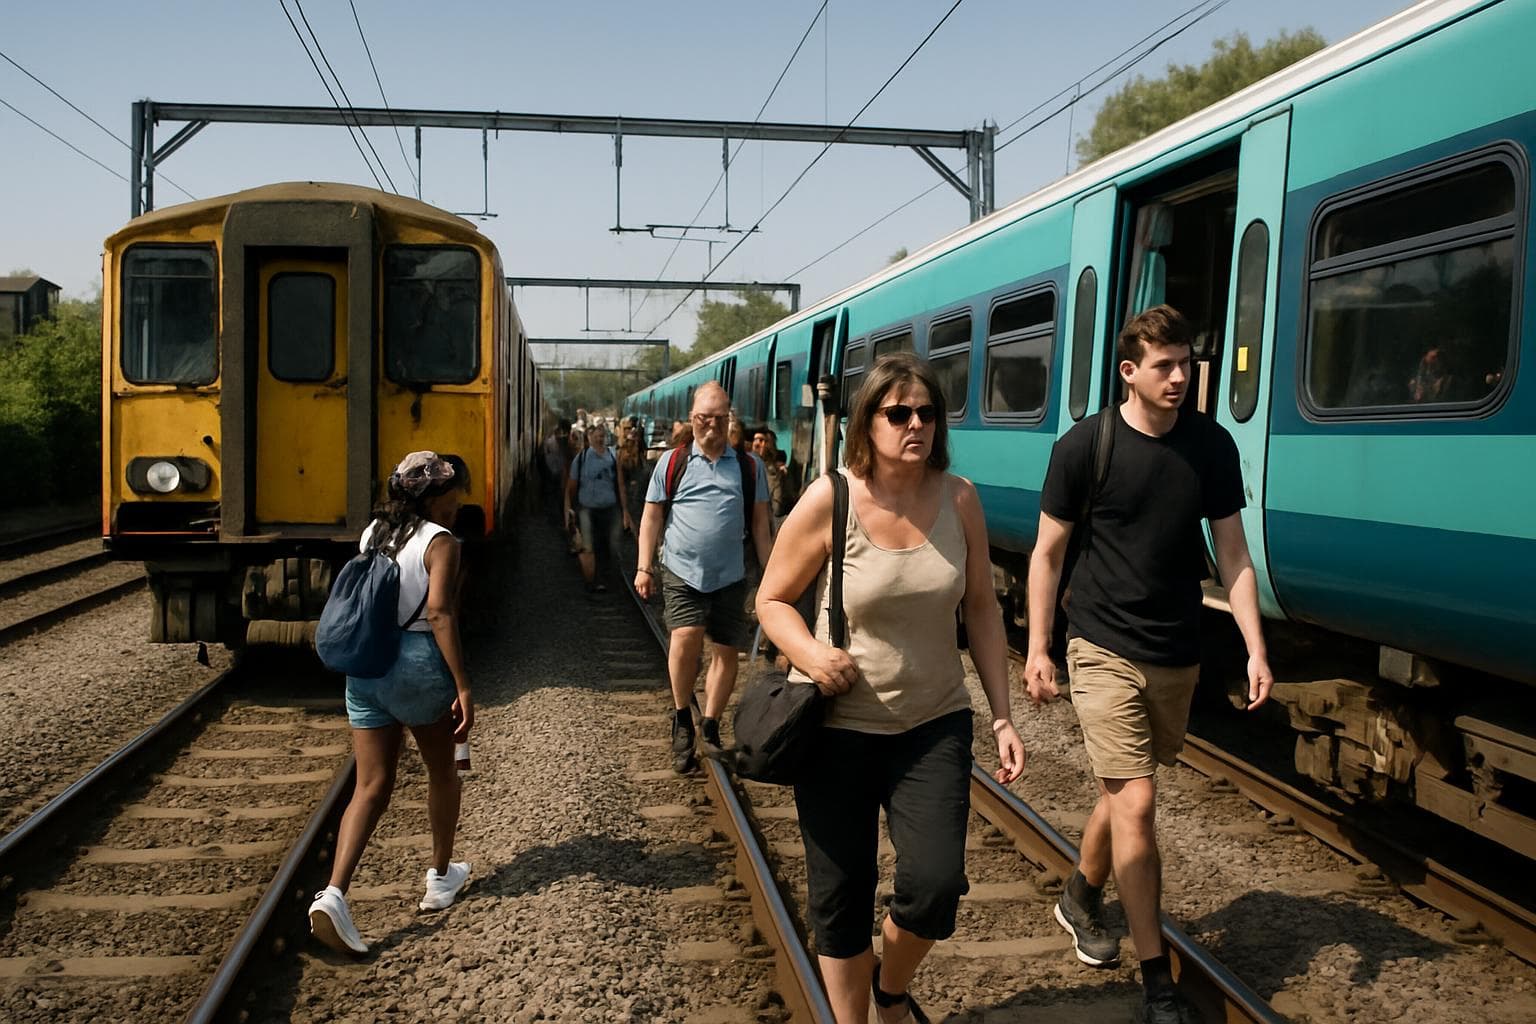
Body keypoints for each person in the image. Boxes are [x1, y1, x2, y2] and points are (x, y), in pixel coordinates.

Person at [756, 353, 1026, 1024]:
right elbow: (772, 600)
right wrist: (813, 654)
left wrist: (1001, 716)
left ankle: (891, 989)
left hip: (934, 724)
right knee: (841, 897)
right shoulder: (832, 497)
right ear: (866, 421)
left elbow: (984, 611)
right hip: (839, 728)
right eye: (898, 413)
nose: (916, 425)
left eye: (927, 413)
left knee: (934, 887)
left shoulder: (959, 497)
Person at [1023, 305, 1273, 1024]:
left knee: (1124, 789)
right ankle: (1155, 981)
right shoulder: (1086, 446)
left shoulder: (1210, 447)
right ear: (1129, 372)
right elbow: (1045, 555)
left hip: (1176, 652)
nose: (1180, 377)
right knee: (1137, 802)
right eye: (1164, 366)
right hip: (1100, 646)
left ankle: (1078, 896)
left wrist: (1256, 647)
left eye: (1186, 363)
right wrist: (1040, 646)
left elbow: (1232, 554)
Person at [309, 451, 475, 956]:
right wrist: (463, 684)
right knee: (441, 772)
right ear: (435, 497)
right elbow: (440, 613)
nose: (458, 502)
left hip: (369, 665)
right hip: (418, 665)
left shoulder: (374, 533)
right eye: (453, 494)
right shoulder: (440, 542)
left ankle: (334, 894)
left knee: (371, 784)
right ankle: (441, 877)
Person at [634, 382, 772, 773]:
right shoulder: (672, 462)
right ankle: (681, 716)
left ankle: (709, 723)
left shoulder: (749, 466)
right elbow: (652, 516)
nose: (710, 426)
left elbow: (761, 525)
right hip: (681, 569)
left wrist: (773, 578)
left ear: (729, 420)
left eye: (718, 419)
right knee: (685, 639)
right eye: (702, 419)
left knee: (727, 653)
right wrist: (645, 566)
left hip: (730, 574)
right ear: (692, 419)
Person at [565, 421, 634, 594]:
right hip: (587, 509)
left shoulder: (612, 456)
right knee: (588, 545)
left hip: (610, 508)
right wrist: (568, 511)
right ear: (589, 437)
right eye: (596, 435)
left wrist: (625, 510)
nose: (599, 438)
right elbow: (571, 487)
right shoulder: (580, 459)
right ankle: (592, 582)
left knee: (610, 545)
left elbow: (620, 485)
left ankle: (605, 579)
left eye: (602, 435)